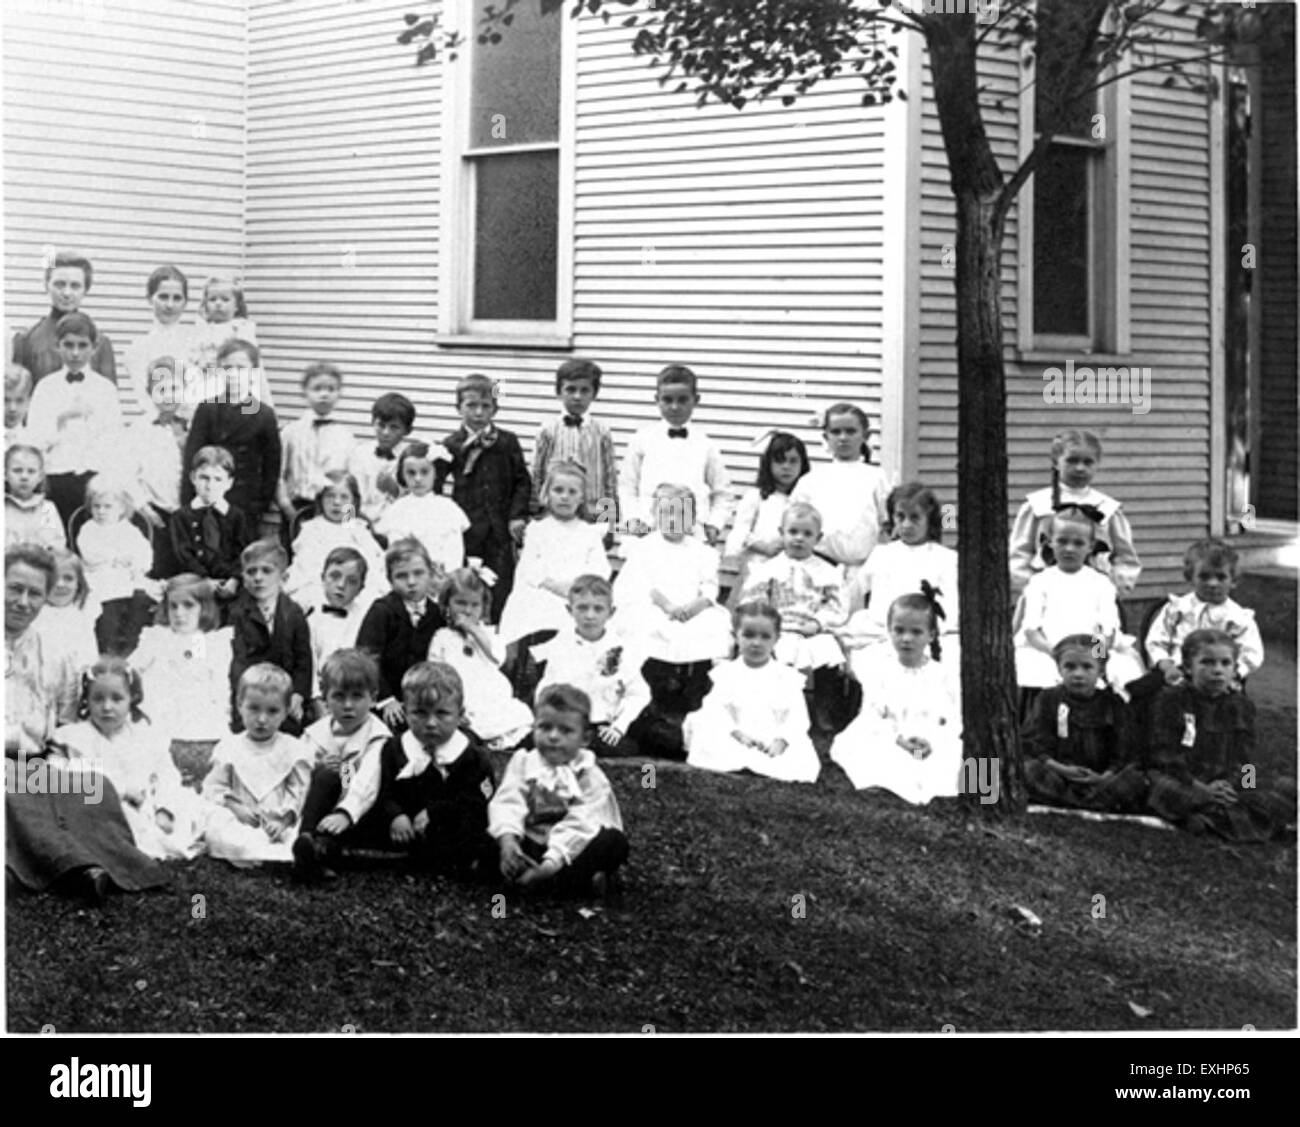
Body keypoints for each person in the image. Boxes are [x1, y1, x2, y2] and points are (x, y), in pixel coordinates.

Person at [5, 544, 166, 905]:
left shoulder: (53, 650)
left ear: (47, 598)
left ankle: (108, 864)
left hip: (36, 761)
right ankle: (71, 868)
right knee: (14, 793)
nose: (23, 601)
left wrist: (55, 759)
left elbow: (62, 718)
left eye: (35, 593)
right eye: (14, 588)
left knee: (92, 785)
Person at [1145, 629, 1294, 842]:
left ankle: (1214, 818)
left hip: (1226, 779)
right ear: (1188, 667)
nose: (1217, 671)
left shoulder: (1242, 705)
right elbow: (1163, 753)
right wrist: (1200, 787)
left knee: (1285, 788)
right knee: (1162, 788)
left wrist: (1240, 787)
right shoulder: (1171, 699)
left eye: (1225, 664)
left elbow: (1246, 758)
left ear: (1235, 670)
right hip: (1186, 777)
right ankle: (1226, 818)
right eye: (1207, 663)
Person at [53, 657, 204, 860]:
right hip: (104, 807)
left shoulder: (145, 737)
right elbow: (65, 773)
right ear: (86, 701)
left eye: (117, 699)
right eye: (98, 699)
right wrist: (121, 789)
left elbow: (167, 775)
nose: (107, 707)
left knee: (189, 804)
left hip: (147, 804)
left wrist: (165, 809)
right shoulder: (76, 737)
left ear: (131, 698)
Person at [489, 683, 629, 896]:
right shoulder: (524, 762)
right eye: (545, 727)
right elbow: (509, 801)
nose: (553, 736)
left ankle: (556, 879)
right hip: (531, 839)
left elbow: (581, 823)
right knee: (486, 829)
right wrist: (509, 841)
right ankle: (527, 872)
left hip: (569, 848)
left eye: (565, 730)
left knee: (613, 842)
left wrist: (550, 864)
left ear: (585, 738)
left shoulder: (590, 776)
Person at [830, 592, 962, 804]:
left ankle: (985, 800)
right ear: (889, 631)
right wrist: (899, 739)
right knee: (882, 754)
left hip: (930, 742)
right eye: (899, 630)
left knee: (968, 756)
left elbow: (953, 718)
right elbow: (872, 716)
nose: (906, 639)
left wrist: (932, 740)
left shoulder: (944, 675)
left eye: (916, 632)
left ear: (931, 635)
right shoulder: (881, 671)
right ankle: (909, 785)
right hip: (893, 739)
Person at [370, 662, 496, 875]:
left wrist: (436, 813)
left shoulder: (472, 754)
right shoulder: (394, 748)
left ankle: (450, 858)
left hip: (448, 823)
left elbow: (478, 799)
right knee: (368, 819)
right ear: (405, 711)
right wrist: (396, 815)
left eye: (442, 714)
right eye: (419, 713)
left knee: (477, 834)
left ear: (460, 714)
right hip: (403, 826)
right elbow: (383, 789)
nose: (430, 723)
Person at [685, 601, 821, 783]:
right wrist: (736, 733)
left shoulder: (786, 677)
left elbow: (798, 717)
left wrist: (782, 739)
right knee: (707, 731)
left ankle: (768, 757)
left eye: (765, 637)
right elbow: (715, 709)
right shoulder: (727, 673)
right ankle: (736, 756)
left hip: (771, 733)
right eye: (748, 636)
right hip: (736, 733)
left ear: (776, 639)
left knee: (797, 755)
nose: (756, 643)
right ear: (735, 636)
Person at [1013, 506, 1143, 695]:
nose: (1069, 549)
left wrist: (1097, 657)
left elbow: (1107, 629)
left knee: (1119, 671)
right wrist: (1055, 653)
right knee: (1036, 671)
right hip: (1049, 649)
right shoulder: (1040, 581)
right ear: (1049, 542)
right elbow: (1031, 630)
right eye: (1062, 541)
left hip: (1092, 649)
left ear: (1090, 546)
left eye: (1078, 543)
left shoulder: (1101, 583)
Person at [291, 649, 392, 883]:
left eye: (357, 697)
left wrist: (345, 812)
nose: (348, 706)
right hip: (321, 808)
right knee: (326, 774)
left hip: (362, 809)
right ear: (325, 697)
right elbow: (295, 768)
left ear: (373, 697)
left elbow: (368, 781)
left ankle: (318, 850)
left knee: (339, 774)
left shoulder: (377, 736)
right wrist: (316, 766)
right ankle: (307, 841)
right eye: (339, 697)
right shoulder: (316, 733)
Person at [436, 373, 531, 621]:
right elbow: (434, 486)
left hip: (500, 531)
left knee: (501, 587)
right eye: (471, 405)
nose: (478, 412)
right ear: (458, 408)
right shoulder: (451, 445)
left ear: (495, 408)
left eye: (485, 406)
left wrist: (517, 516)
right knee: (466, 585)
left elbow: (522, 480)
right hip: (467, 530)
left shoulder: (507, 441)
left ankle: (498, 640)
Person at [838, 481, 960, 669]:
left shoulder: (945, 558)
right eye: (900, 517)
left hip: (924, 633)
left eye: (915, 518)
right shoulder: (882, 554)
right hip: (882, 630)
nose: (906, 525)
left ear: (929, 520)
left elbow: (949, 606)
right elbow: (853, 593)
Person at [1020, 635, 1148, 812]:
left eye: (1087, 667)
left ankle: (1075, 801)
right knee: (1027, 769)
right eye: (1070, 667)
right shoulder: (1048, 699)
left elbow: (1124, 749)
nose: (1078, 674)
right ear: (1059, 669)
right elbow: (1034, 742)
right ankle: (1088, 802)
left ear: (1101, 670)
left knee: (1135, 778)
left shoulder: (1113, 704)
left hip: (1100, 778)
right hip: (1058, 774)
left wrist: (1105, 776)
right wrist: (1060, 768)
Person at [132, 574, 235, 790]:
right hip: (160, 714)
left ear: (204, 608)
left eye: (188, 606)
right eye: (173, 606)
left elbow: (214, 682)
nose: (179, 614)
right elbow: (131, 669)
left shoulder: (204, 641)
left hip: (196, 715)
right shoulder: (157, 638)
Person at [1008, 428, 1141, 596]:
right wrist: (1033, 589)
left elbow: (1125, 558)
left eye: (1088, 462)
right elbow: (1019, 555)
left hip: (1094, 596)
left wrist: (1113, 589)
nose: (1080, 468)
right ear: (1056, 462)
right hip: (1047, 595)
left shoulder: (1107, 508)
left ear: (1097, 464)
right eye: (1072, 460)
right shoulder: (1038, 505)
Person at [201, 663, 311, 865]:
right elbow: (213, 786)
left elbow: (299, 790)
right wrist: (234, 806)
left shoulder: (293, 748)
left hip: (278, 820)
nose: (262, 719)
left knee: (300, 831)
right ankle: (254, 848)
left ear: (286, 711)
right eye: (253, 708)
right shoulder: (230, 747)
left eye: (272, 711)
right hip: (241, 818)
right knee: (219, 825)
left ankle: (286, 848)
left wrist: (284, 820)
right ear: (239, 705)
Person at [533, 575, 651, 759]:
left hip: (602, 723)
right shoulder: (560, 646)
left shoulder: (620, 649)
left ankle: (647, 783)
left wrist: (619, 727)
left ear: (610, 612)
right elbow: (547, 688)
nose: (590, 615)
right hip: (567, 722)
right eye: (582, 607)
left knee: (623, 748)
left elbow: (639, 693)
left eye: (598, 609)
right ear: (569, 610)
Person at [23, 311, 123, 524]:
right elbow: (34, 441)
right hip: (56, 479)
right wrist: (61, 421)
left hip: (95, 481)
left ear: (94, 348)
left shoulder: (105, 389)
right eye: (68, 345)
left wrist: (107, 482)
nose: (75, 353)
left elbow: (115, 443)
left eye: (82, 345)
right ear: (57, 346)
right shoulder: (45, 388)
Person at [497, 461, 610, 646]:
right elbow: (529, 568)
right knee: (534, 613)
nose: (564, 497)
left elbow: (600, 569)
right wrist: (553, 585)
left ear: (581, 498)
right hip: (543, 591)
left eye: (572, 492)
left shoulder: (589, 533)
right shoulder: (537, 530)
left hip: (577, 594)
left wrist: (576, 588)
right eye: (558, 490)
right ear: (547, 494)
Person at [619, 364, 731, 543]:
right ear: (657, 400)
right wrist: (633, 519)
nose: (674, 407)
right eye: (667, 400)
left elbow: (722, 492)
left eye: (682, 400)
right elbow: (627, 486)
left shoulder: (706, 445)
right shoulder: (642, 440)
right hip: (649, 530)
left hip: (692, 532)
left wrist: (714, 524)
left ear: (696, 399)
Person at [427, 567, 533, 750]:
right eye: (460, 603)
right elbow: (434, 673)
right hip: (463, 698)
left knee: (521, 716)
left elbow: (498, 657)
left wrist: (473, 630)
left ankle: (499, 743)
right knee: (465, 728)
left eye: (475, 605)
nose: (467, 611)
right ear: (447, 604)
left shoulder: (487, 634)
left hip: (489, 697)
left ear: (483, 607)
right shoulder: (442, 637)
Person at [181, 339, 281, 531]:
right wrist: (190, 502)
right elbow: (191, 458)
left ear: (253, 373)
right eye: (227, 368)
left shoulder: (263, 414)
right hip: (207, 498)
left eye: (241, 368)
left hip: (245, 504)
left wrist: (260, 505)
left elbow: (271, 466)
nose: (233, 374)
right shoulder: (207, 409)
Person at [738, 501, 846, 673]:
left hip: (813, 630)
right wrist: (770, 623)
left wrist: (818, 623)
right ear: (782, 533)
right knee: (776, 652)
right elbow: (755, 602)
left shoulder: (827, 572)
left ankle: (826, 700)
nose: (799, 538)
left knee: (827, 651)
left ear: (817, 538)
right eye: (793, 532)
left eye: (807, 534)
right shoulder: (768, 569)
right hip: (778, 629)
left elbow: (836, 605)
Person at [790, 402, 890, 587]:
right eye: (836, 432)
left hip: (864, 570)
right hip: (819, 568)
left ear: (865, 436)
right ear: (826, 437)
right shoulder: (811, 480)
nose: (843, 438)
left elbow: (888, 521)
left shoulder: (876, 477)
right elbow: (793, 522)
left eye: (851, 431)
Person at [1142, 537, 1264, 688]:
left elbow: (1251, 653)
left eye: (1221, 577)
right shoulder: (1176, 609)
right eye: (1204, 577)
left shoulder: (1238, 618)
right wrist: (1166, 665)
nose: (1212, 583)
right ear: (1190, 577)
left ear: (1233, 581)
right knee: (1138, 693)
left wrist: (1234, 672)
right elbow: (1156, 641)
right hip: (1175, 673)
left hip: (1218, 678)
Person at [356, 538, 446, 726]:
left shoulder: (437, 613)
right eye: (402, 576)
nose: (411, 582)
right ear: (390, 579)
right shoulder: (382, 611)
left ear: (430, 573)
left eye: (418, 573)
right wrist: (386, 698)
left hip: (425, 697)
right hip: (387, 699)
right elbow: (367, 658)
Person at [227, 539, 311, 737]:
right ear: (243, 577)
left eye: (266, 571)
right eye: (251, 572)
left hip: (284, 696)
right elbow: (236, 660)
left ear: (284, 577)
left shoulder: (293, 612)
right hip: (249, 694)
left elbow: (303, 659)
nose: (258, 578)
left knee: (289, 732)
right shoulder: (236, 612)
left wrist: (298, 693)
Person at [723, 430, 810, 598]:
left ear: (802, 465)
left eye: (793, 461)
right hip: (758, 563)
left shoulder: (804, 500)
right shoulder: (757, 497)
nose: (786, 467)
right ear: (768, 464)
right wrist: (764, 547)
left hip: (792, 567)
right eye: (779, 461)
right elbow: (741, 531)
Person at [284, 471, 386, 613]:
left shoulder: (356, 528)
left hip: (355, 584)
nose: (337, 502)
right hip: (320, 583)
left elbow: (373, 561)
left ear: (353, 502)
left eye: (344, 497)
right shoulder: (313, 528)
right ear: (321, 499)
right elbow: (307, 565)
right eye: (330, 496)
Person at [76, 474, 155, 657]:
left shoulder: (129, 530)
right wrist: (115, 558)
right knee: (103, 603)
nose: (101, 511)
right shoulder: (89, 529)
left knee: (142, 596)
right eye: (96, 506)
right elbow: (89, 554)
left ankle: (132, 641)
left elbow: (144, 551)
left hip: (127, 577)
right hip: (100, 575)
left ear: (121, 508)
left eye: (108, 506)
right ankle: (107, 645)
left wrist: (139, 565)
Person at [530, 359, 617, 523]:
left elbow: (609, 478)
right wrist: (536, 513)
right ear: (559, 392)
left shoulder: (602, 432)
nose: (577, 396)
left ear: (594, 394)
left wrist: (609, 520)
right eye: (571, 389)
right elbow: (537, 473)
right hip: (554, 514)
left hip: (592, 515)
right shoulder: (547, 430)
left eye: (585, 390)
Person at [169, 444, 252, 616]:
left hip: (230, 585)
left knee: (242, 611)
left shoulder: (236, 516)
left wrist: (235, 580)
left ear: (229, 483)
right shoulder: (181, 517)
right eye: (204, 478)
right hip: (195, 582)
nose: (210, 485)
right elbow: (183, 554)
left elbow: (244, 553)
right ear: (193, 478)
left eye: (217, 479)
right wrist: (204, 581)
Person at [11, 252, 117, 387]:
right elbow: (17, 395)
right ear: (46, 285)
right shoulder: (26, 341)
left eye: (75, 286)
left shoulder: (100, 343)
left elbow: (109, 400)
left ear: (86, 289)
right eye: (59, 284)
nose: (67, 293)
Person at [276, 361, 356, 536]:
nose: (324, 394)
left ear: (339, 393)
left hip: (333, 510)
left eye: (331, 389)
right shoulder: (290, 432)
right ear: (305, 391)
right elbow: (279, 475)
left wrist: (349, 525)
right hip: (296, 508)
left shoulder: (346, 437)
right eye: (317, 388)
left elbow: (351, 485)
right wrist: (286, 506)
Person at [126, 358, 187, 578]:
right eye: (161, 389)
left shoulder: (192, 425)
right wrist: (145, 508)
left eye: (174, 388)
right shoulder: (139, 430)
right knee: (157, 570)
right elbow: (128, 474)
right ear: (149, 392)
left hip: (188, 514)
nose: (168, 395)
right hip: (155, 513)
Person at [374, 441, 467, 579]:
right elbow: (395, 549)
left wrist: (446, 577)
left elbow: (454, 553)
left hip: (438, 578)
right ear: (402, 474)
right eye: (411, 473)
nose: (418, 479)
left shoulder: (447, 508)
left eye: (424, 472)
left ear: (436, 473)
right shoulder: (398, 509)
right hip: (405, 576)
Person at [123, 265, 196, 417]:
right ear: (150, 298)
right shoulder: (137, 348)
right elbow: (143, 398)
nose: (169, 305)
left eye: (177, 298)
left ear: (185, 302)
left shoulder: (196, 343)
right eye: (163, 297)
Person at [190, 274, 272, 407]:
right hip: (205, 385)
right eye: (212, 299)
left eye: (225, 299)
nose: (218, 303)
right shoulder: (200, 332)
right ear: (205, 305)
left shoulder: (240, 331)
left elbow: (255, 370)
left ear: (237, 306)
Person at [305, 548, 371, 705]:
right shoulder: (311, 619)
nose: (341, 585)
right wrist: (316, 700)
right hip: (321, 696)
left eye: (352, 581)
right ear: (323, 577)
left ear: (361, 588)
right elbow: (310, 663)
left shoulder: (365, 619)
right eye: (334, 577)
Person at [348, 391, 416, 526]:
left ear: (407, 430)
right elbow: (349, 496)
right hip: (360, 525)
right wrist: (347, 526)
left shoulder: (412, 458)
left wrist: (395, 490)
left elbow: (418, 504)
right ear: (372, 422)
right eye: (381, 425)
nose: (386, 433)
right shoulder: (360, 454)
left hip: (396, 528)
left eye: (394, 427)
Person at [33, 548, 97, 673]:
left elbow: (90, 656)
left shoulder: (80, 617)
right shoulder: (35, 616)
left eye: (68, 578)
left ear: (78, 583)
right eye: (53, 578)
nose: (60, 584)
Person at [4, 444, 64, 550]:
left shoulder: (47, 509)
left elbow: (57, 545)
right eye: (17, 470)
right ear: (5, 474)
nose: (24, 477)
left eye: (31, 471)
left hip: (39, 563)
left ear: (40, 476)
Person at [5, 362, 33, 447]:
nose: (12, 408)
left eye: (19, 401)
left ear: (28, 402)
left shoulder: (33, 442)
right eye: (5, 400)